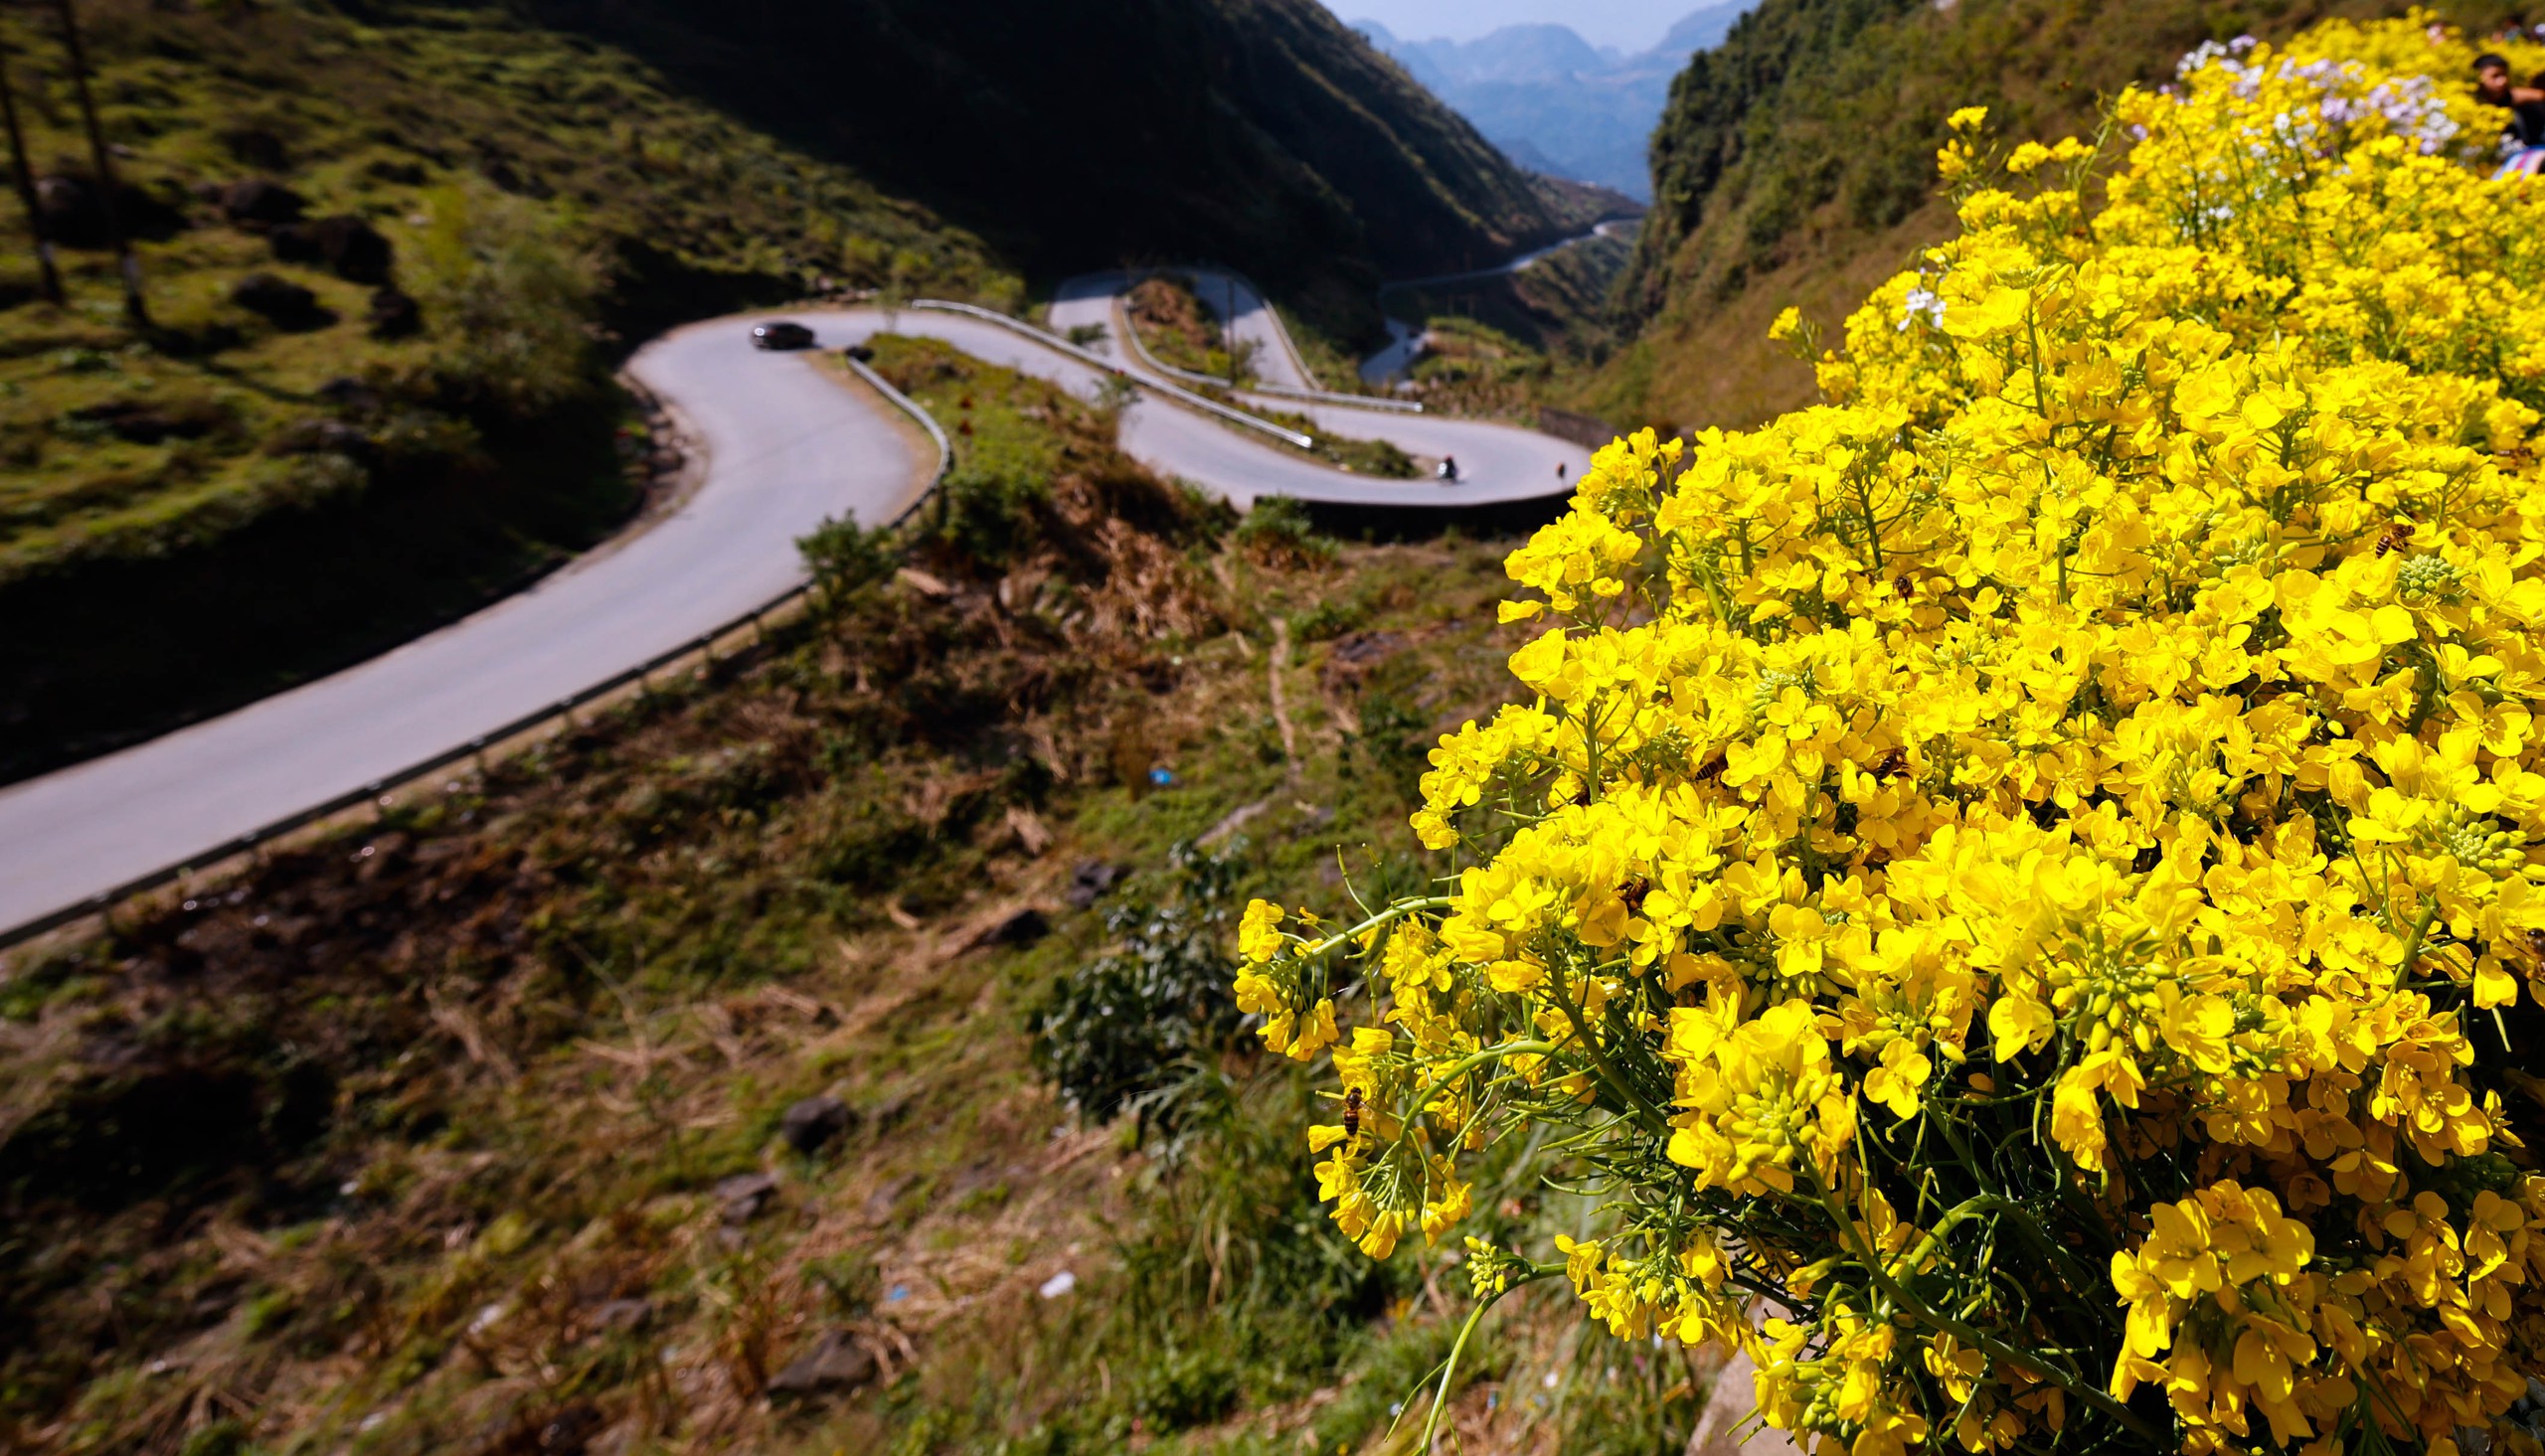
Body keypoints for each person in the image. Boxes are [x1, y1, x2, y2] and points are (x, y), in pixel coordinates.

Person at [2474, 54, 2545, 176]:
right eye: (2495, 76)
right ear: (2478, 78)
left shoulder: (2517, 98)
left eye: (2504, 75)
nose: (2503, 81)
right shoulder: (2472, 105)